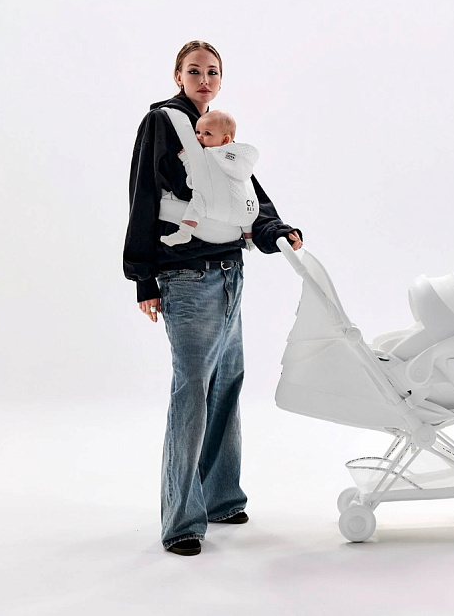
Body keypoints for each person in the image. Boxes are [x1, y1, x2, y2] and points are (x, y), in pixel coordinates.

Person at [123, 40, 303, 557]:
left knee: (227, 383)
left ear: (221, 80)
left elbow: (246, 193)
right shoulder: (162, 123)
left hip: (230, 273)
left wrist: (275, 230)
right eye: (195, 71)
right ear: (178, 75)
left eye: (213, 72)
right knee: (192, 392)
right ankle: (182, 521)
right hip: (187, 276)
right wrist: (143, 277)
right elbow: (142, 194)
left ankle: (222, 496)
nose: (205, 80)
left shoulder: (218, 132)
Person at [160, 109, 259, 249]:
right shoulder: (240, 160)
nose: (199, 137)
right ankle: (249, 240)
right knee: (245, 212)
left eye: (207, 133)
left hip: (216, 207)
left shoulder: (210, 154)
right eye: (197, 132)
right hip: (246, 212)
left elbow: (197, 174)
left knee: (197, 202)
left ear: (225, 140)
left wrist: (186, 159)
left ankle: (184, 232)